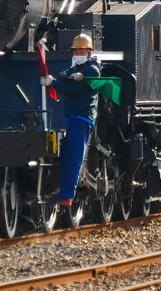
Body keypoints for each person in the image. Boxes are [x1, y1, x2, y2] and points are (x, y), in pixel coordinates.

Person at [41, 33, 100, 206]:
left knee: (74, 156)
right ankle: (62, 190)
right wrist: (56, 78)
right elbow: (62, 74)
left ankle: (67, 195)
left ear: (89, 52)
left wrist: (54, 84)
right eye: (76, 50)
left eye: (82, 50)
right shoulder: (75, 69)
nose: (78, 53)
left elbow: (74, 89)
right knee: (67, 156)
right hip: (72, 117)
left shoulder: (92, 71)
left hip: (83, 117)